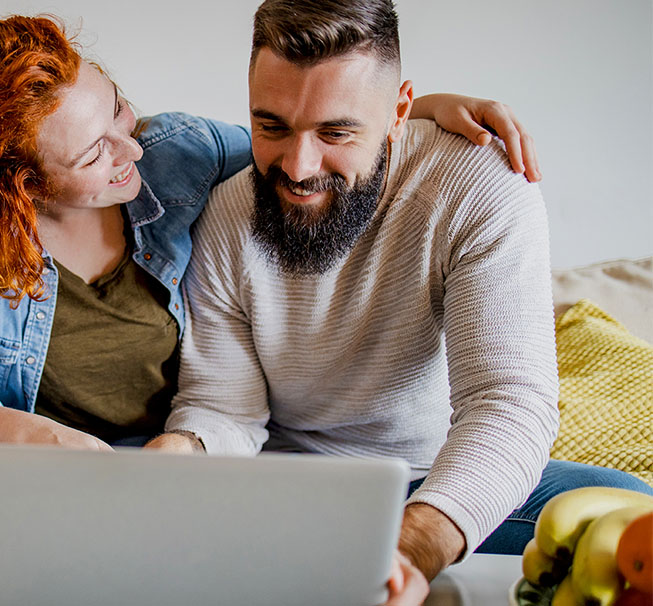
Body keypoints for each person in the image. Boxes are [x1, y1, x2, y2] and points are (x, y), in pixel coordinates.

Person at [0, 13, 542, 548]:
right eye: (92, 153)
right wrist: (58, 446)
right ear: (20, 185)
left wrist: (409, 113)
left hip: (250, 454)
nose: (129, 149)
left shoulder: (180, 156)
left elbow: (301, 145)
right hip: (106, 458)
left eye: (117, 111)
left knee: (624, 511)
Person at [146, 0, 653, 603]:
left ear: (400, 110)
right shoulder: (228, 212)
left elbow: (508, 401)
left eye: (336, 132)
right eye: (272, 126)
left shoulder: (477, 184)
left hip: (430, 480)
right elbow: (225, 410)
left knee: (635, 514)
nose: (298, 168)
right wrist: (174, 455)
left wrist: (412, 546)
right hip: (281, 482)